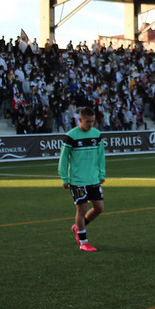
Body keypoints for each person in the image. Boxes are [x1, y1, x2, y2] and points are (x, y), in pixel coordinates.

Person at [58, 106, 105, 252]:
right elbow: (63, 158)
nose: (90, 124)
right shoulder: (71, 136)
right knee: (82, 208)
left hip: (93, 179)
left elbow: (101, 156)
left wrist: (101, 174)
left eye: (92, 121)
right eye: (87, 121)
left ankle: (78, 228)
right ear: (80, 120)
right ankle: (83, 242)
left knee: (99, 208)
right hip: (78, 180)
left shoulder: (97, 135)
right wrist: (64, 177)